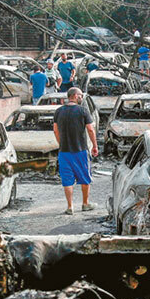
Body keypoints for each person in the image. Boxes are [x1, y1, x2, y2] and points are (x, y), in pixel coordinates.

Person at [53, 86, 99, 215]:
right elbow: (90, 129)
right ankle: (85, 204)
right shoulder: (83, 111)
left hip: (64, 152)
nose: (81, 97)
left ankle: (70, 207)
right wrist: (95, 146)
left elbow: (55, 130)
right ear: (74, 96)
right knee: (85, 177)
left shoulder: (58, 111)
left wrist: (61, 143)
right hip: (80, 151)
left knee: (67, 180)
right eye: (80, 95)